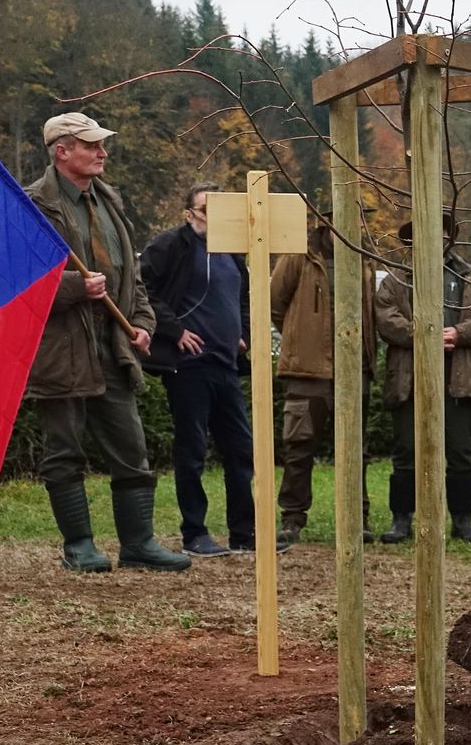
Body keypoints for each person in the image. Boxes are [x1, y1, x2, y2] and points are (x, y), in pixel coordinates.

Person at [24, 112, 189, 572]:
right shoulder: (33, 207)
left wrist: (142, 323)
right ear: (62, 151)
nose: (102, 152)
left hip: (113, 348)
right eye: (91, 145)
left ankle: (138, 544)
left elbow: (130, 279)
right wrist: (77, 288)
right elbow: (20, 287)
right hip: (61, 353)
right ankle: (79, 547)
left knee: (131, 447)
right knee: (64, 451)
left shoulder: (109, 200)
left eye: (101, 145)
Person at [139, 182, 259, 557]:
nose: (213, 217)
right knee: (192, 451)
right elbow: (142, 288)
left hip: (226, 364)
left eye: (219, 209)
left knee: (241, 451)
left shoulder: (233, 253)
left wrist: (243, 334)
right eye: (206, 209)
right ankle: (195, 533)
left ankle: (245, 533)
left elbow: (244, 297)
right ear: (189, 213)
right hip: (189, 367)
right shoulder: (171, 245)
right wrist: (174, 330)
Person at [375, 215, 471, 543]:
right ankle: (401, 521)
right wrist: (423, 335)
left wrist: (458, 333)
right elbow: (385, 318)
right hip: (409, 377)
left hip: (460, 379)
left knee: (461, 453)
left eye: (441, 232)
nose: (435, 238)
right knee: (405, 452)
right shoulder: (396, 279)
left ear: (449, 238)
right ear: (412, 241)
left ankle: (463, 522)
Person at [270, 215, 375, 546]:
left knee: (355, 448)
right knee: (298, 447)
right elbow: (275, 303)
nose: (356, 224)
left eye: (360, 219)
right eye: (349, 217)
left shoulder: (365, 258)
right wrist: (301, 339)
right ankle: (292, 518)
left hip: (353, 370)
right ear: (326, 222)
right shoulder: (298, 253)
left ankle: (358, 520)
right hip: (307, 371)